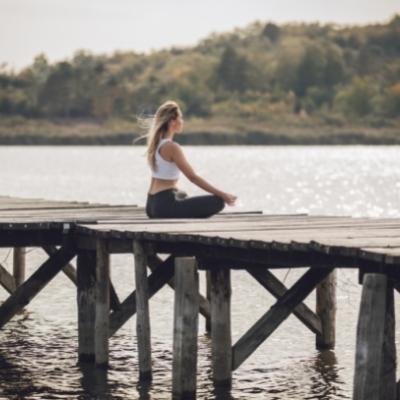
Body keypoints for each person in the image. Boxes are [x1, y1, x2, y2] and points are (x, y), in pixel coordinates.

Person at [142, 100, 237, 218]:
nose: (182, 121)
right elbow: (193, 177)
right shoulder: (172, 147)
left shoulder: (156, 144)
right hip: (164, 206)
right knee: (218, 202)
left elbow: (155, 177)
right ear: (172, 122)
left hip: (151, 205)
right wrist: (223, 195)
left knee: (181, 194)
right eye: (180, 117)